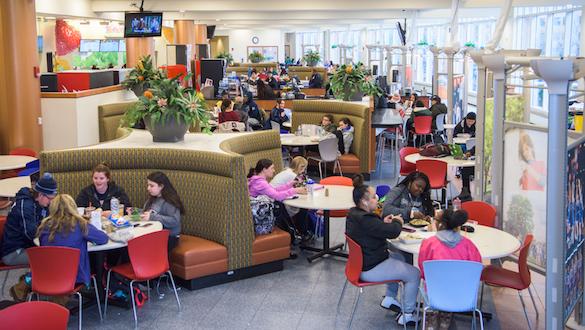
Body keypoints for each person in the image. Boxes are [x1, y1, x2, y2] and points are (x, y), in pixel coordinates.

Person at [346, 175, 421, 326]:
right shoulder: (368, 220)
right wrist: (397, 222)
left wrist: (382, 222)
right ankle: (407, 314)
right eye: (374, 197)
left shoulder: (354, 214)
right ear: (364, 201)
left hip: (360, 264)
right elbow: (393, 232)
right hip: (371, 268)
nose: (377, 198)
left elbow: (373, 228)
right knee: (414, 274)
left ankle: (390, 298)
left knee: (399, 258)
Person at [418, 208, 481, 329]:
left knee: (428, 283)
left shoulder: (428, 243)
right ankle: (445, 318)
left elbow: (423, 270)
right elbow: (477, 270)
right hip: (461, 296)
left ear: (439, 224)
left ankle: (431, 318)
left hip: (434, 295)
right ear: (458, 226)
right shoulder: (469, 245)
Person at [37, 194, 108, 285]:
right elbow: (103, 239)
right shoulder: (80, 224)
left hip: (49, 276)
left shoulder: (44, 226)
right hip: (76, 276)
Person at [1, 173, 58, 265]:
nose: (51, 202)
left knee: (56, 252)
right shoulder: (25, 206)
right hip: (13, 252)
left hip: (29, 245)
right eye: (50, 198)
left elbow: (48, 221)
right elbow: (31, 233)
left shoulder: (42, 203)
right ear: (40, 194)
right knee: (51, 256)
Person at [247, 159, 311, 240]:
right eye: (272, 168)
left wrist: (290, 184)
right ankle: (296, 234)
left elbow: (274, 190)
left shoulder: (257, 180)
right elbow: (277, 196)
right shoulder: (260, 183)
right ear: (264, 169)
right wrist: (295, 190)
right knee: (280, 205)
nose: (274, 171)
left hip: (260, 211)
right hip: (262, 216)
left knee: (281, 206)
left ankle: (294, 234)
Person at [141, 171, 184, 253]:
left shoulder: (169, 201)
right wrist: (135, 212)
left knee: (138, 247)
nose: (148, 188)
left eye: (151, 186)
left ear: (161, 186)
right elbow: (150, 212)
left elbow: (174, 220)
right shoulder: (153, 198)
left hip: (169, 237)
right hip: (155, 234)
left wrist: (152, 217)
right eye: (148, 185)